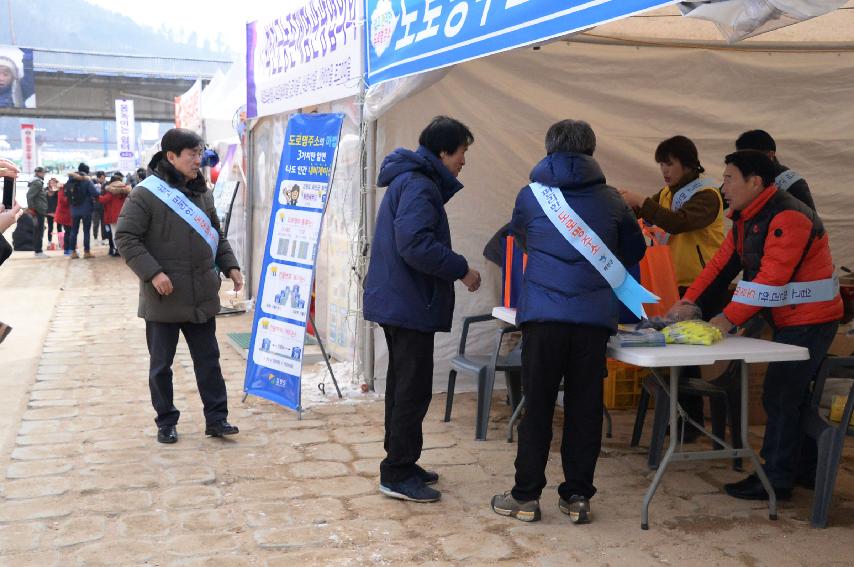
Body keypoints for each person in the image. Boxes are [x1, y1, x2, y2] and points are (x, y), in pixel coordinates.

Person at [490, 119, 647, 525]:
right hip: (592, 321)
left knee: (537, 406)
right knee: (584, 409)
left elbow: (522, 240)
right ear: (591, 151)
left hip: (543, 318)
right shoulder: (612, 199)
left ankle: (525, 497)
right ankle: (578, 497)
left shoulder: (530, 197)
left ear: (548, 150)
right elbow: (634, 251)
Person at [674, 150, 842, 501]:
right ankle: (803, 472)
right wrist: (690, 301)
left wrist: (727, 317)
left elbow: (770, 280)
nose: (724, 187)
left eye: (730, 178)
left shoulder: (789, 216)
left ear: (755, 182)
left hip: (812, 319)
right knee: (792, 395)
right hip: (789, 318)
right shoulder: (746, 218)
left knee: (781, 394)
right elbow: (720, 266)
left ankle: (777, 480)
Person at [363, 116, 481, 503]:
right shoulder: (419, 184)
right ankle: (396, 471)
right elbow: (414, 244)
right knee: (411, 390)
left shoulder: (412, 179)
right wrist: (461, 268)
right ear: (444, 151)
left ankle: (401, 461)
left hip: (400, 299)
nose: (464, 160)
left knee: (403, 387)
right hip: (407, 301)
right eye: (462, 151)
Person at [115, 128, 243, 445]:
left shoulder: (202, 193)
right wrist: (153, 273)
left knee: (209, 361)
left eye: (200, 154)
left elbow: (216, 233)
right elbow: (126, 238)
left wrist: (230, 264)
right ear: (171, 157)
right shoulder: (145, 194)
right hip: (164, 296)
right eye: (192, 155)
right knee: (162, 366)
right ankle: (166, 421)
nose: (198, 161)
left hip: (201, 294)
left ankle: (217, 418)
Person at [619, 135, 725, 438]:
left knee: (687, 354)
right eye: (661, 164)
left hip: (703, 284)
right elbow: (648, 213)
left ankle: (690, 424)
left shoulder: (707, 195)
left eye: (670, 163)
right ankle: (683, 419)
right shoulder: (667, 193)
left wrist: (641, 202)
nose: (664, 170)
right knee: (676, 353)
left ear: (687, 163)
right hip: (671, 282)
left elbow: (678, 222)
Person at [735, 130, 815, 210]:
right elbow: (722, 201)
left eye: (750, 159)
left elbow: (810, 220)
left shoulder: (792, 184)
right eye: (741, 158)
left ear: (770, 155)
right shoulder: (742, 175)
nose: (745, 163)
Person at [66, 163, 100, 259]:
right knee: (86, 231)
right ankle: (86, 252)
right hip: (86, 209)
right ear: (87, 171)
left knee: (73, 231)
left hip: (74, 209)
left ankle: (73, 252)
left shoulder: (70, 180)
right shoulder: (87, 180)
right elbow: (95, 193)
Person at [99, 172, 130, 257]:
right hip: (125, 215)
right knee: (125, 233)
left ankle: (117, 249)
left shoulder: (110, 191)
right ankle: (126, 249)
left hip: (113, 216)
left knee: (115, 233)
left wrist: (95, 195)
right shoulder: (126, 190)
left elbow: (103, 200)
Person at [27, 166, 48, 258]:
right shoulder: (37, 183)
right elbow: (29, 196)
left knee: (39, 231)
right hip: (38, 211)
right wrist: (32, 209)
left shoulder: (37, 182)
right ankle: (38, 251)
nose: (44, 174)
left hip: (39, 210)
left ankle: (38, 251)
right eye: (43, 173)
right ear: (38, 173)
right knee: (39, 231)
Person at [54, 182, 74, 256]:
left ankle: (68, 249)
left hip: (66, 214)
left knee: (68, 232)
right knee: (68, 232)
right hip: (65, 215)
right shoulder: (62, 191)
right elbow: (64, 201)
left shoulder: (62, 191)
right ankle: (67, 249)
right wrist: (72, 198)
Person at [91, 171, 107, 244]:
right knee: (96, 223)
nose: (102, 179)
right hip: (95, 207)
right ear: (98, 178)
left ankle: (104, 238)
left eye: (104, 178)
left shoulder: (107, 185)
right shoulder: (93, 185)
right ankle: (95, 238)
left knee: (104, 224)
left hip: (104, 207)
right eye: (101, 178)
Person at [45, 177, 61, 250]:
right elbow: (44, 202)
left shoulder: (59, 191)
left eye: (54, 182)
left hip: (58, 212)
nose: (52, 184)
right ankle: (49, 242)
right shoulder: (45, 190)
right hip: (49, 212)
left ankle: (61, 242)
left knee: (59, 228)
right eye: (51, 182)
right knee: (50, 228)